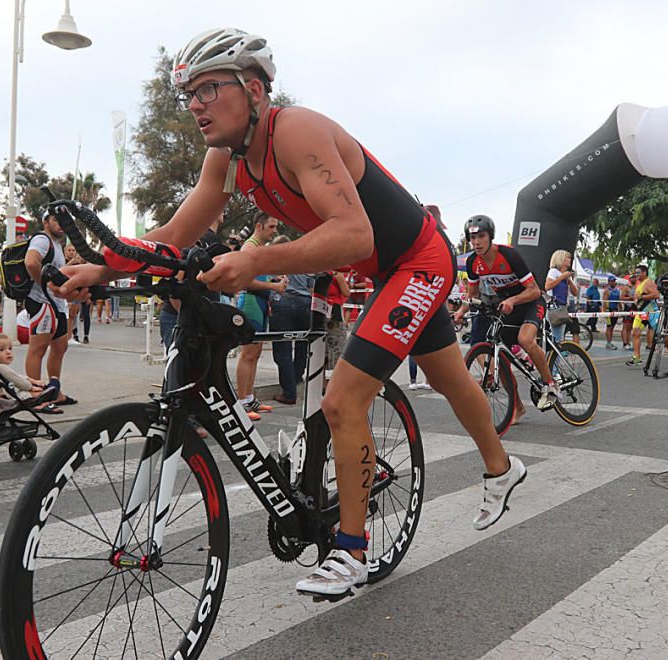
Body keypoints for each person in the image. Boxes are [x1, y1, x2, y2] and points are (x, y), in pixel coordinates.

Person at [55, 28, 524, 596]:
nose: (196, 105)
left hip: (420, 260)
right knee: (450, 378)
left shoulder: (295, 132)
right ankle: (502, 469)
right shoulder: (225, 161)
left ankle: (351, 553)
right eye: (189, 95)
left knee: (343, 398)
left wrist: (255, 258)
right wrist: (103, 269)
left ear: (254, 89)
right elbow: (176, 234)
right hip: (383, 272)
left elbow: (354, 233)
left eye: (209, 89)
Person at [452, 215, 559, 418]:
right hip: (507, 307)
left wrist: (512, 300)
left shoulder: (509, 255)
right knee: (501, 358)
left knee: (525, 338)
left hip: (530, 302)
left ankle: (551, 385)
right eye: (472, 238)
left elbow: (535, 291)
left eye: (481, 236)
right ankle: (517, 406)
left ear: (490, 236)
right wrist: (460, 312)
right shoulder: (473, 262)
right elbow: (472, 296)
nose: (476, 242)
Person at [24, 210, 77, 412]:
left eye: (65, 220)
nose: (61, 224)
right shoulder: (42, 240)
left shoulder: (57, 244)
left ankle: (54, 392)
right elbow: (30, 262)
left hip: (56, 304)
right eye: (56, 219)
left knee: (60, 347)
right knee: (38, 349)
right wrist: (44, 286)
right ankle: (36, 397)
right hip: (41, 302)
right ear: (46, 221)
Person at [234, 212, 284, 420]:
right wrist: (273, 285)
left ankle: (249, 398)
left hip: (260, 303)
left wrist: (272, 278)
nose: (274, 231)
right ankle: (242, 402)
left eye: (275, 227)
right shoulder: (249, 248)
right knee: (248, 353)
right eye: (271, 227)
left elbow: (257, 276)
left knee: (255, 353)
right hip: (252, 302)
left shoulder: (259, 249)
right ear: (259, 226)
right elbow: (244, 282)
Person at [268, 234, 312, 405]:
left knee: (282, 347)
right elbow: (312, 284)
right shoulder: (304, 261)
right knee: (302, 344)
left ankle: (288, 392)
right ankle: (296, 377)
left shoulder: (277, 260)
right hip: (305, 303)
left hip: (283, 301)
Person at [544, 250, 580, 344]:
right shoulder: (553, 272)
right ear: (561, 260)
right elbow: (547, 286)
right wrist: (561, 277)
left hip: (562, 308)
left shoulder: (564, 275)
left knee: (558, 338)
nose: (570, 260)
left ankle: (554, 356)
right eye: (567, 258)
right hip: (555, 308)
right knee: (558, 340)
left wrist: (569, 280)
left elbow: (575, 293)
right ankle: (557, 357)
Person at [625, 265, 659, 366]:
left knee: (662, 335)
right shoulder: (639, 284)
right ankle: (636, 357)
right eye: (636, 273)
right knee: (635, 332)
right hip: (641, 313)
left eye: (638, 272)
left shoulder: (649, 282)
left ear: (644, 273)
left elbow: (656, 295)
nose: (636, 274)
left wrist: (643, 297)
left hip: (651, 312)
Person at [602, 275, 620, 350]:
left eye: (614, 281)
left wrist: (620, 310)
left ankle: (609, 342)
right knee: (609, 327)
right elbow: (604, 302)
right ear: (609, 282)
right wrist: (605, 312)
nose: (613, 282)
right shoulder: (607, 291)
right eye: (612, 281)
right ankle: (608, 343)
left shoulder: (617, 290)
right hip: (609, 311)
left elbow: (618, 301)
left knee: (612, 327)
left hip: (615, 310)